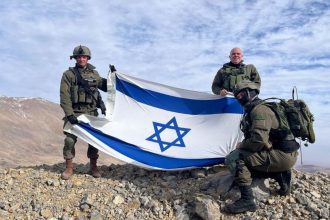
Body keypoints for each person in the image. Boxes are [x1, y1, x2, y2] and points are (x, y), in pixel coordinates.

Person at [223, 80, 299, 214]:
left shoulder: (260, 110)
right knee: (244, 155)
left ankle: (247, 200)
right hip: (284, 153)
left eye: (240, 95)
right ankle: (280, 175)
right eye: (237, 97)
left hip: (282, 156)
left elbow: (258, 141)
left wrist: (241, 145)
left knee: (234, 158)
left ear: (249, 93)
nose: (239, 99)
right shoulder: (257, 108)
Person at [60, 45, 107, 180]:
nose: (82, 59)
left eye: (84, 57)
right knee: (69, 140)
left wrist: (114, 78)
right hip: (74, 112)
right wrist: (69, 114)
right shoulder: (68, 75)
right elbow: (64, 96)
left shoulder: (94, 74)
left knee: (93, 141)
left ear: (88, 58)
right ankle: (69, 168)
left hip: (91, 113)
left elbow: (104, 86)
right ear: (75, 58)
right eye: (79, 57)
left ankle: (93, 167)